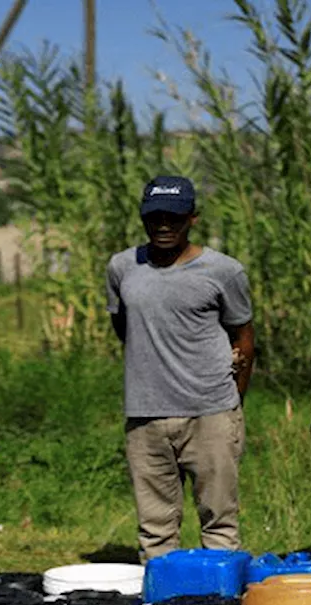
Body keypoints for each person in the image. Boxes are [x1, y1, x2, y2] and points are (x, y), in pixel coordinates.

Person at [105, 175, 255, 560]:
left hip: (210, 412)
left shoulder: (224, 271)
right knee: (154, 527)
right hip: (145, 415)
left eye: (174, 217)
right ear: (143, 219)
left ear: (193, 219)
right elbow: (125, 328)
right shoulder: (122, 267)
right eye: (154, 217)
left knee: (219, 519)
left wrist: (230, 403)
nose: (163, 226)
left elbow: (244, 337)